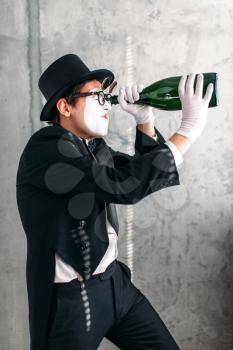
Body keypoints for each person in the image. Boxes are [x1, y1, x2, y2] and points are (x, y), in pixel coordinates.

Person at [16, 54, 213, 350]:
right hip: (74, 301)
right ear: (65, 106)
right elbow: (123, 187)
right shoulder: (47, 149)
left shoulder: (92, 147)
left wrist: (145, 121)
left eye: (107, 96)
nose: (107, 104)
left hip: (115, 286)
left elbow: (135, 173)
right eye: (97, 96)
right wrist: (188, 129)